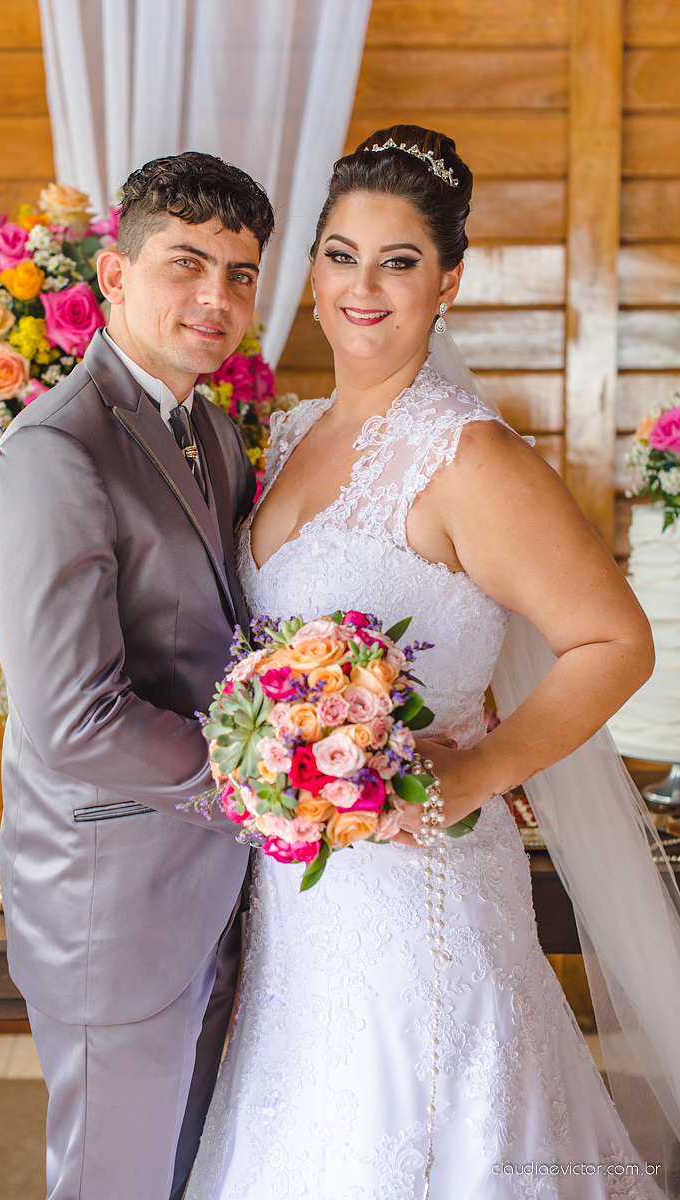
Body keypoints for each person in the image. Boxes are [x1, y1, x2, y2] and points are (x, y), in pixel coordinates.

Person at [185, 126, 680, 1199]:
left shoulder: (470, 455)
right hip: (303, 897)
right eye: (340, 253)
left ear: (448, 281)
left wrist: (467, 774)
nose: (364, 287)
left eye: (400, 261)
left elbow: (616, 641)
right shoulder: (289, 429)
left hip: (421, 888)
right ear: (310, 268)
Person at [0, 152, 274, 1200]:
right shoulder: (57, 451)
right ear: (113, 274)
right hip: (113, 908)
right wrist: (269, 781)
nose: (215, 298)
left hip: (208, 886)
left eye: (239, 274)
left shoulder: (215, 431)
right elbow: (73, 718)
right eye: (186, 264)